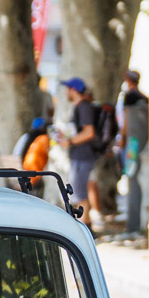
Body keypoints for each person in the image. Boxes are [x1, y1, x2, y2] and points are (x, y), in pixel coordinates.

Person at [59, 77, 102, 228]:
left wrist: (70, 142)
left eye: (68, 89)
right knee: (80, 191)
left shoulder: (84, 107)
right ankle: (86, 225)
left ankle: (84, 228)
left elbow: (89, 132)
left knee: (79, 193)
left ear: (74, 90)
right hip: (79, 155)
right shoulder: (80, 107)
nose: (66, 92)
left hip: (83, 156)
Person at [119, 71, 149, 236]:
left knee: (132, 179)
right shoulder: (145, 98)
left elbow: (125, 120)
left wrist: (122, 138)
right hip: (142, 144)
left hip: (133, 145)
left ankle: (133, 225)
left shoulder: (129, 98)